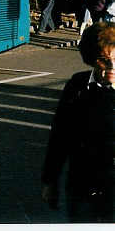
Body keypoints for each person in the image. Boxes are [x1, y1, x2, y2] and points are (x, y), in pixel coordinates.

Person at [41, 21, 115, 223]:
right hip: (82, 185)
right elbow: (60, 136)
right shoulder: (77, 86)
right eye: (104, 60)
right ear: (91, 59)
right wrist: (50, 181)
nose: (112, 67)